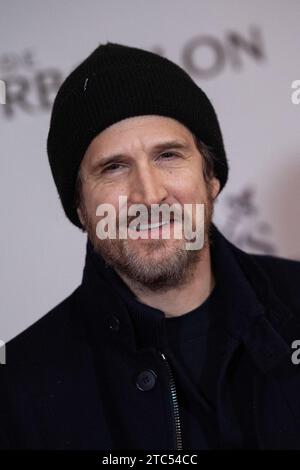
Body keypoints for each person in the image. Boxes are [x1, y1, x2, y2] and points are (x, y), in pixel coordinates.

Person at [1, 42, 300, 451]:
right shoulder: (19, 390)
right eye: (114, 167)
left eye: (168, 156)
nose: (148, 195)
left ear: (211, 178)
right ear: (81, 208)